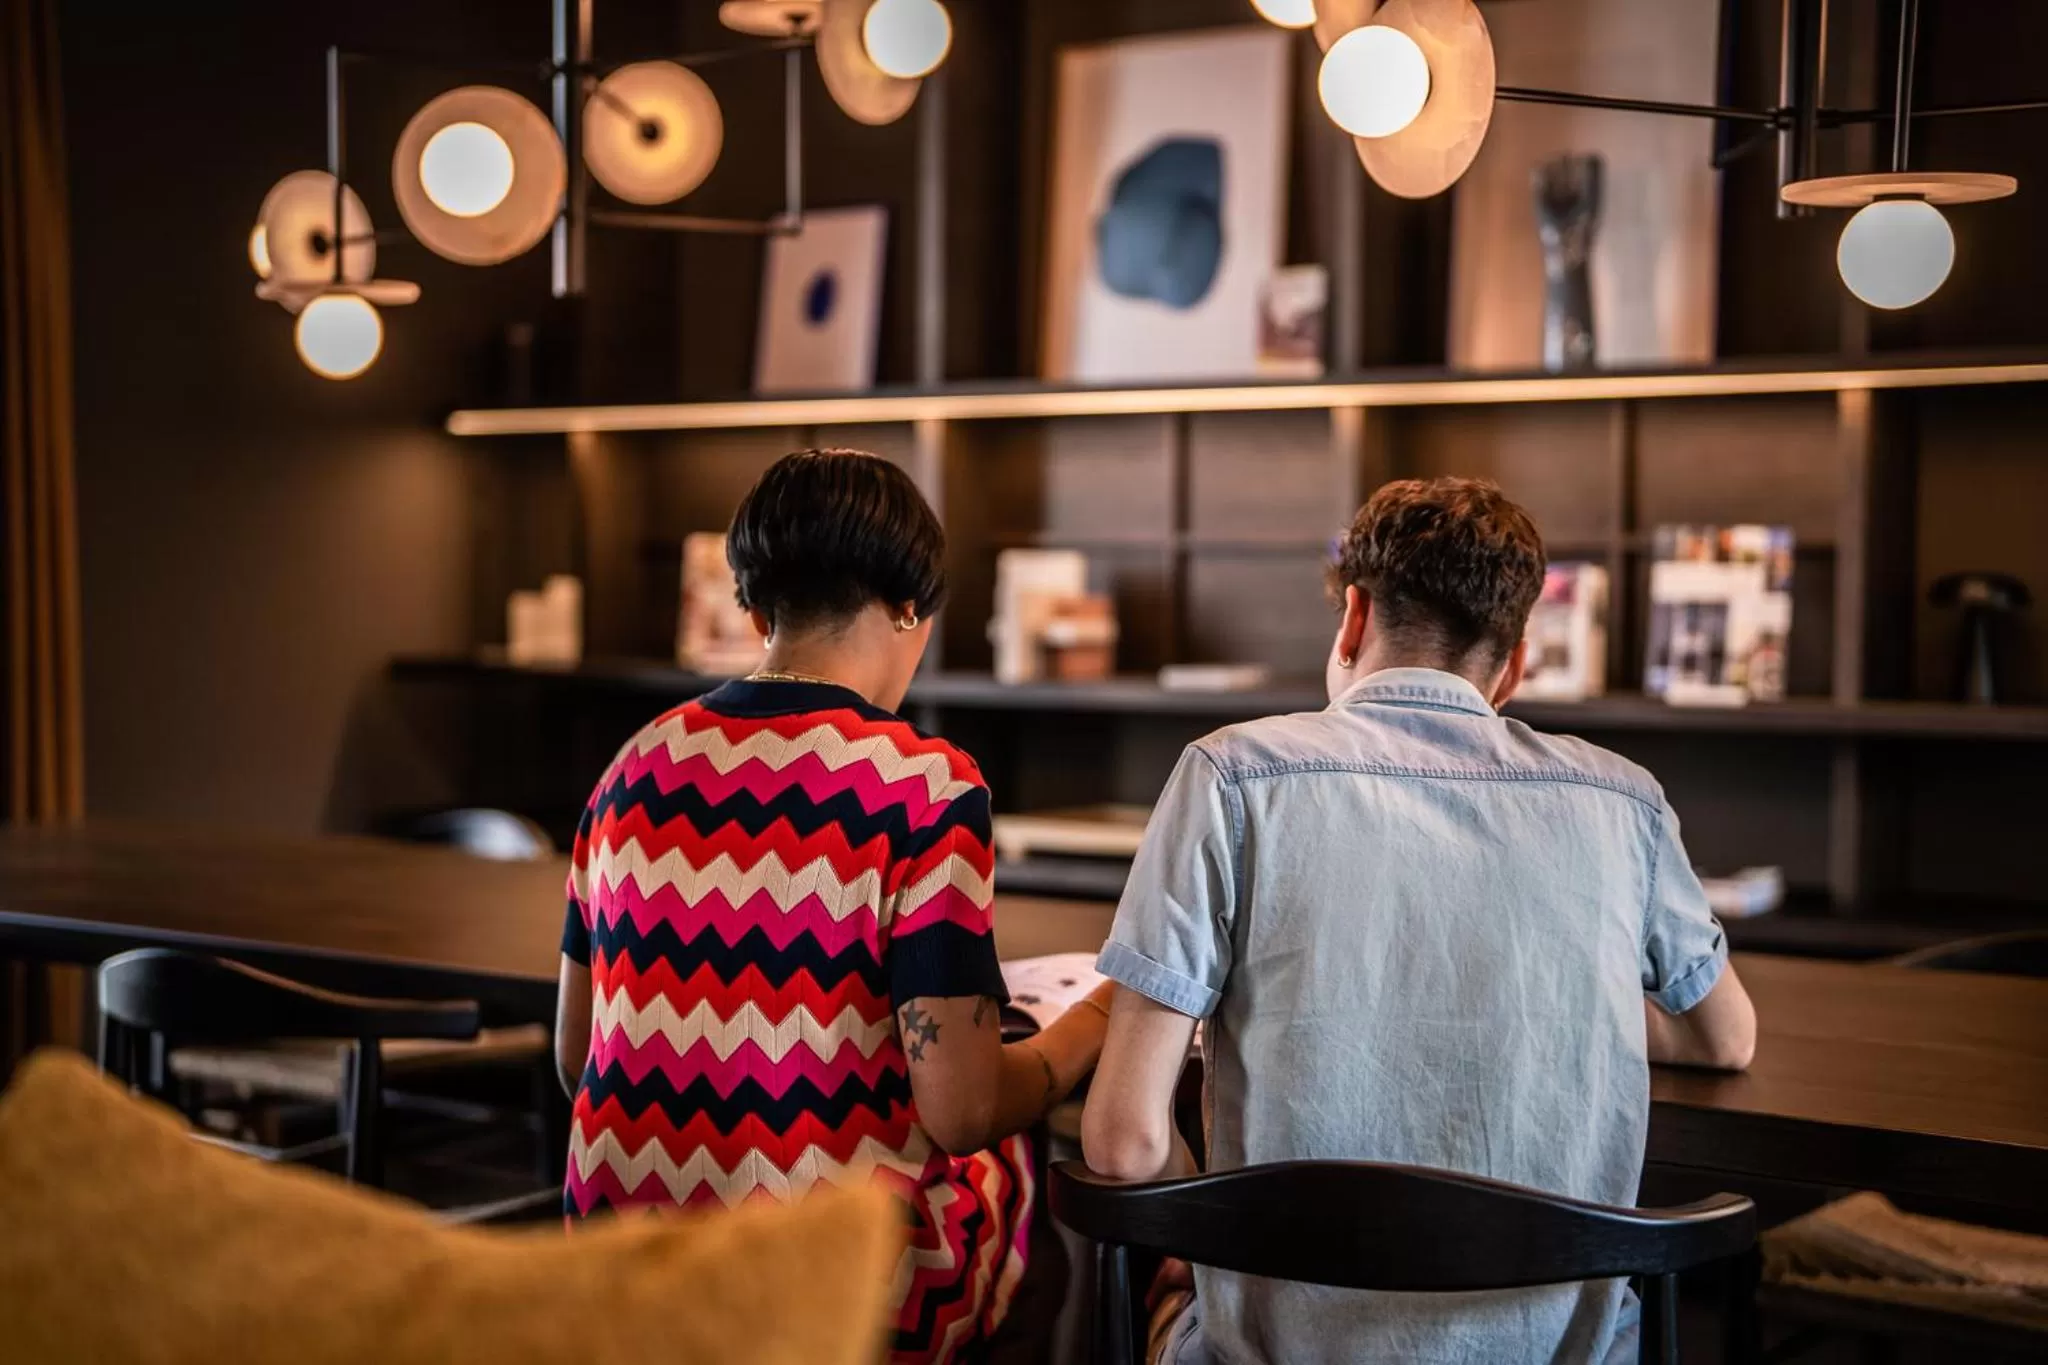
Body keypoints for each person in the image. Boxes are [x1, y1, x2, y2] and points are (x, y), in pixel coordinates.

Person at [1082, 477, 1757, 1365]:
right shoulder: (1625, 800)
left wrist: (1195, 1238)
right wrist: (1567, 999)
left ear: (1353, 618)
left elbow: (1125, 1143)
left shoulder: (1233, 776)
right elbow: (1725, 1038)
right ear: (1515, 665)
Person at [553, 449, 1114, 1365]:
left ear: (755, 610)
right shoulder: (926, 787)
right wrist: (1100, 1012)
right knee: (1019, 1191)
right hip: (833, 1289)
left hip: (624, 1274)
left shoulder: (631, 767)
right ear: (911, 605)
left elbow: (578, 1058)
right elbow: (963, 1109)